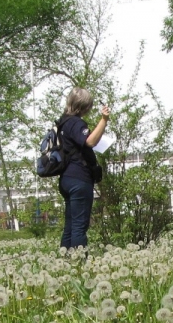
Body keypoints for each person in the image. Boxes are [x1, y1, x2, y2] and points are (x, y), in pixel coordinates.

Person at [58, 87, 110, 250]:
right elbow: (90, 142)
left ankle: (64, 261)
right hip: (79, 179)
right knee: (79, 226)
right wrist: (104, 120)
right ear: (85, 106)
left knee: (70, 225)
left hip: (66, 178)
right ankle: (79, 265)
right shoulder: (76, 123)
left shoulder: (63, 121)